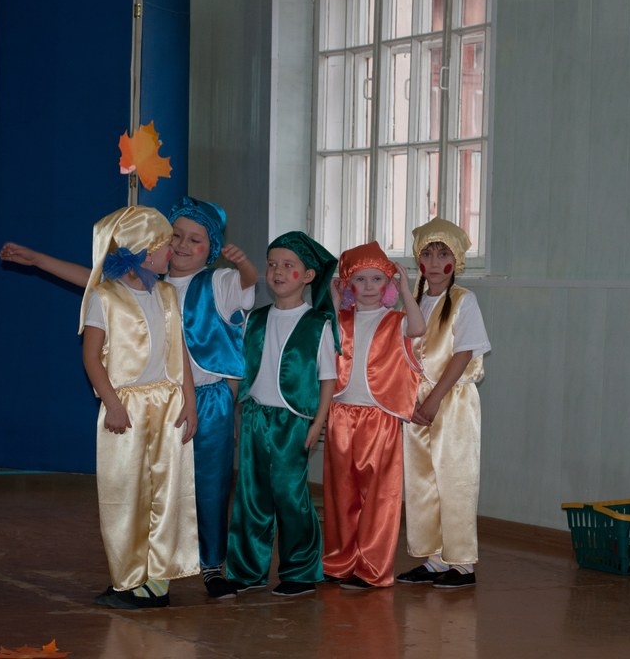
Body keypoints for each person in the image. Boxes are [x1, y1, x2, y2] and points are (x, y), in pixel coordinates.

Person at [0, 196, 257, 600]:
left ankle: (210, 566)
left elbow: (247, 284)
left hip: (204, 397)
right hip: (159, 400)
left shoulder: (216, 282)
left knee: (209, 485)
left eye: (195, 240)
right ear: (152, 248)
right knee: (157, 487)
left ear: (212, 249)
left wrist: (243, 263)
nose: (181, 246)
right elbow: (93, 280)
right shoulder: (147, 285)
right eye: (175, 237)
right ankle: (150, 569)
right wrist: (38, 260)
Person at [78, 205, 199, 609]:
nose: (172, 253)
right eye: (167, 245)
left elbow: (179, 351)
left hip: (167, 404)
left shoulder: (167, 294)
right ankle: (128, 576)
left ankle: (157, 582)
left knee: (167, 491)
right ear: (146, 252)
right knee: (125, 492)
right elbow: (92, 357)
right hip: (126, 406)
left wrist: (190, 401)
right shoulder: (104, 297)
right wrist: (112, 404)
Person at [226, 231, 339, 597]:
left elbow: (327, 378)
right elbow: (241, 370)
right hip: (255, 416)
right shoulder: (255, 319)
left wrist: (318, 422)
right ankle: (246, 570)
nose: (277, 271)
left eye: (288, 265)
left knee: (290, 495)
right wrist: (234, 414)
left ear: (308, 276)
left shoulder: (318, 324)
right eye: (272, 264)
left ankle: (300, 571)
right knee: (251, 494)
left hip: (293, 421)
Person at [322, 241, 425, 590]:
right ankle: (339, 561)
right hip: (340, 414)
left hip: (380, 418)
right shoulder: (340, 320)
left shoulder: (396, 320)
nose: (368, 287)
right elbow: (322, 335)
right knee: (341, 493)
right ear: (348, 284)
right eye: (360, 279)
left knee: (378, 496)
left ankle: (372, 567)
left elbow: (419, 329)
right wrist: (334, 299)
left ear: (388, 285)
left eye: (377, 279)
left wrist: (407, 290)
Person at [396, 217, 491, 589]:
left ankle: (462, 562)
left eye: (443, 254)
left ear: (457, 261)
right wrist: (408, 401)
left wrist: (434, 399)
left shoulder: (464, 301)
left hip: (452, 402)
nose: (434, 263)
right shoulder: (415, 302)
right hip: (416, 405)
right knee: (422, 480)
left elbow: (463, 353)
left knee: (454, 478)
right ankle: (434, 558)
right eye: (427, 254)